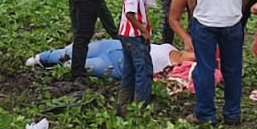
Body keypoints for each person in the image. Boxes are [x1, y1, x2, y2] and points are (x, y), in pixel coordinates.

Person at [27, 37, 183, 78]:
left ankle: (54, 69)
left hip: (117, 64)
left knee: (80, 65)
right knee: (69, 52)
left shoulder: (175, 70)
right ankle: (42, 58)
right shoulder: (170, 48)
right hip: (115, 45)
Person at [117, 0, 155, 113]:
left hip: (127, 34)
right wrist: (143, 30)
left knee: (130, 69)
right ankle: (141, 106)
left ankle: (123, 103)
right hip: (134, 35)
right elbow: (130, 13)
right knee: (144, 70)